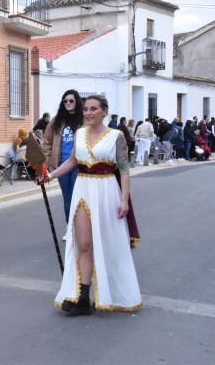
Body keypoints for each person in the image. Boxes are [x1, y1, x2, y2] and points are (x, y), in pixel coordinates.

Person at [37, 95, 141, 315]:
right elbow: (73, 161)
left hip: (107, 191)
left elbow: (123, 169)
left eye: (94, 109)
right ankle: (83, 297)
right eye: (86, 109)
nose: (89, 113)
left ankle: (113, 292)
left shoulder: (117, 136)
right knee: (83, 243)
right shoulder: (79, 133)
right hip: (83, 190)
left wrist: (124, 200)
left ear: (104, 111)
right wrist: (50, 176)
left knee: (108, 243)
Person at [42, 90, 84, 226]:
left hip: (80, 165)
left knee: (79, 197)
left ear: (77, 102)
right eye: (65, 101)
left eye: (71, 100)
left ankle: (81, 227)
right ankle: (70, 228)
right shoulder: (56, 121)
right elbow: (47, 141)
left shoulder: (84, 120)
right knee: (67, 198)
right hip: (61, 166)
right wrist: (48, 161)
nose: (68, 103)